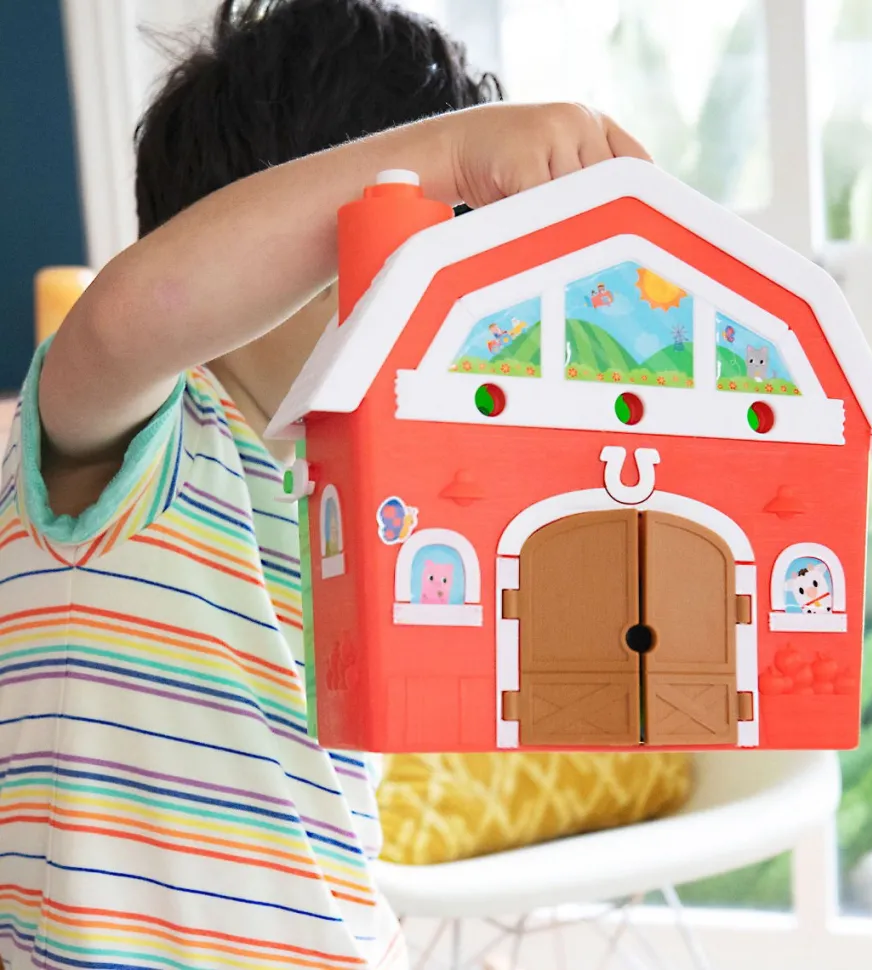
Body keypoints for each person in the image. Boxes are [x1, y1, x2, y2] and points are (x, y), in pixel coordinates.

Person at [0, 0, 650, 967]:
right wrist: (454, 153)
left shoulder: (357, 489)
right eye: (432, 249)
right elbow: (144, 305)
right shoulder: (142, 436)